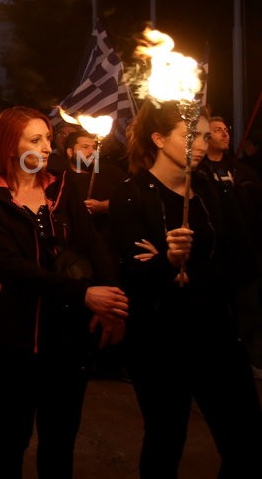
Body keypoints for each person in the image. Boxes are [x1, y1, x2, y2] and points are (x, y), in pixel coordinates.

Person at [0, 106, 128, 478]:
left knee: (60, 440)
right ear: (11, 146)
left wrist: (114, 303)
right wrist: (82, 293)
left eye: (48, 139)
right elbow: (13, 266)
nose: (46, 148)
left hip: (66, 339)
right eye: (35, 140)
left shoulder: (63, 187)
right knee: (11, 437)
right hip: (12, 338)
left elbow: (92, 245)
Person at [110, 100, 262, 476]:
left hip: (217, 336)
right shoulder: (132, 194)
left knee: (247, 442)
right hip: (160, 342)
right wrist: (167, 262)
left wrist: (189, 269)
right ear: (159, 139)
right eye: (191, 135)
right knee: (165, 439)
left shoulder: (213, 192)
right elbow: (132, 277)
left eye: (205, 136)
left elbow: (244, 262)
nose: (200, 143)